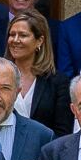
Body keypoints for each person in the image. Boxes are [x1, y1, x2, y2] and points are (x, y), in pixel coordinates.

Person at [6, 8, 69, 137]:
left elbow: (63, 133)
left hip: (43, 154)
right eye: (12, 35)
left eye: (23, 35)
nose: (15, 40)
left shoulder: (58, 82)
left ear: (39, 41)